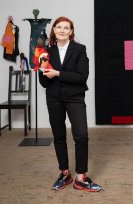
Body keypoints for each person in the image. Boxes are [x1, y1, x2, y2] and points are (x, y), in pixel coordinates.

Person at [39, 16, 101, 192]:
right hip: (54, 98)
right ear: (54, 30)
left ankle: (80, 177)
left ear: (71, 32)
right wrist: (42, 69)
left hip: (75, 97)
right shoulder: (46, 51)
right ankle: (64, 173)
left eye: (66, 28)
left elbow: (82, 77)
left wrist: (58, 73)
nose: (62, 30)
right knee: (59, 136)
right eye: (59, 27)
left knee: (81, 135)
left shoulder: (80, 49)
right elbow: (43, 83)